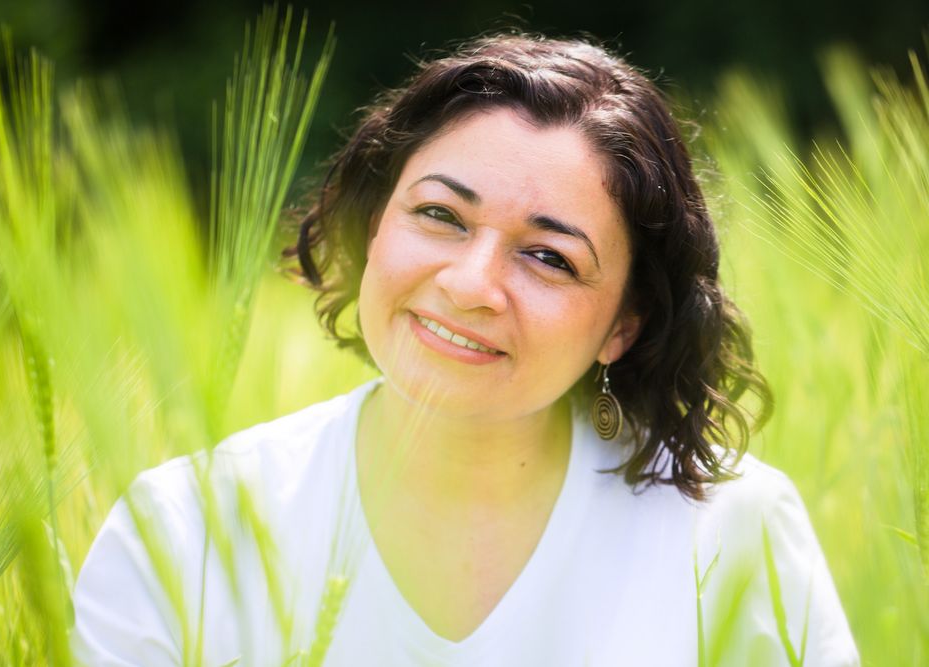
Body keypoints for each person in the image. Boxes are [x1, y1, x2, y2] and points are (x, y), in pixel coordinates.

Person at [71, 33, 860, 666]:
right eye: (442, 215)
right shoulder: (178, 534)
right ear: (373, 223)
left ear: (625, 323)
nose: (472, 282)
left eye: (550, 257)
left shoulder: (732, 532)